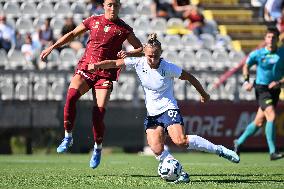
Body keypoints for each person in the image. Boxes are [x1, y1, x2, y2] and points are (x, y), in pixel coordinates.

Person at [88, 33, 240, 183]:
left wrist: (204, 94)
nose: (153, 59)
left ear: (161, 53)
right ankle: (180, 173)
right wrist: (96, 66)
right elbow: (114, 63)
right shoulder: (138, 62)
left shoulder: (168, 67)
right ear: (144, 53)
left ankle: (219, 150)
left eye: (156, 56)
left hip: (168, 108)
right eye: (149, 56)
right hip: (152, 114)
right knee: (156, 149)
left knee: (180, 141)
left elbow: (190, 78)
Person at [40, 0, 143, 168]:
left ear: (119, 7)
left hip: (105, 73)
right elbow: (73, 34)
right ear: (103, 5)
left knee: (99, 113)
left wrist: (128, 53)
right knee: (71, 97)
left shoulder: (124, 28)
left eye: (115, 5)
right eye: (109, 4)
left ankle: (97, 148)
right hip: (86, 68)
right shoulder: (93, 20)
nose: (112, 8)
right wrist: (53, 46)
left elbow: (141, 49)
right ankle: (68, 136)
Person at [234, 27, 284, 161]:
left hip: (275, 90)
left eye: (273, 37)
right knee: (271, 116)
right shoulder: (258, 53)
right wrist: (246, 81)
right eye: (268, 37)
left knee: (259, 122)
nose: (271, 40)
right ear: (265, 39)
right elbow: (246, 65)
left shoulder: (282, 53)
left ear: (278, 39)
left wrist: (279, 82)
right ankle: (273, 151)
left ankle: (238, 142)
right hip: (261, 89)